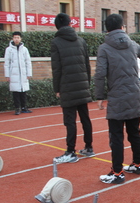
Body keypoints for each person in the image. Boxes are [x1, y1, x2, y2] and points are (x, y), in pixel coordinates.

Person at [95, 14, 140, 184]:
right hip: (134, 95)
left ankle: (117, 172)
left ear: (107, 29)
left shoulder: (104, 48)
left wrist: (99, 97)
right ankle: (138, 164)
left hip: (117, 97)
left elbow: (100, 74)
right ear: (123, 27)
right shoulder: (131, 44)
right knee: (134, 132)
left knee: (116, 136)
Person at [51, 13, 94, 164]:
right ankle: (89, 147)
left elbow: (56, 69)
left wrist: (57, 88)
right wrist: (86, 83)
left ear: (57, 26)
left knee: (70, 121)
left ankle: (71, 152)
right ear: (70, 24)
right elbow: (87, 65)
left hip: (67, 87)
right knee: (85, 118)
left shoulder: (56, 42)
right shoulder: (81, 41)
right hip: (82, 85)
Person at [4, 31, 32, 115]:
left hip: (23, 74)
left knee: (23, 91)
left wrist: (29, 73)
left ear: (20, 39)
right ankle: (17, 108)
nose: (16, 39)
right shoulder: (9, 50)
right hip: (14, 74)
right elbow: (6, 63)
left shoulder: (24, 49)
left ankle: (24, 107)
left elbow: (28, 61)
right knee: (15, 92)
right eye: (15, 37)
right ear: (12, 38)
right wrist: (7, 75)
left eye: (18, 38)